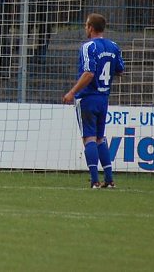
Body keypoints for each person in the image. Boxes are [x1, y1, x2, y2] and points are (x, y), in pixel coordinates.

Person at [62, 13, 124, 189]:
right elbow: (120, 70)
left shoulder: (88, 46)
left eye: (86, 25)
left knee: (89, 138)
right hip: (103, 98)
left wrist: (72, 92)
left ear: (90, 28)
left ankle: (95, 180)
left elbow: (88, 73)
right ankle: (109, 180)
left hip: (88, 97)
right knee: (99, 138)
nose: (85, 28)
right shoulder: (114, 46)